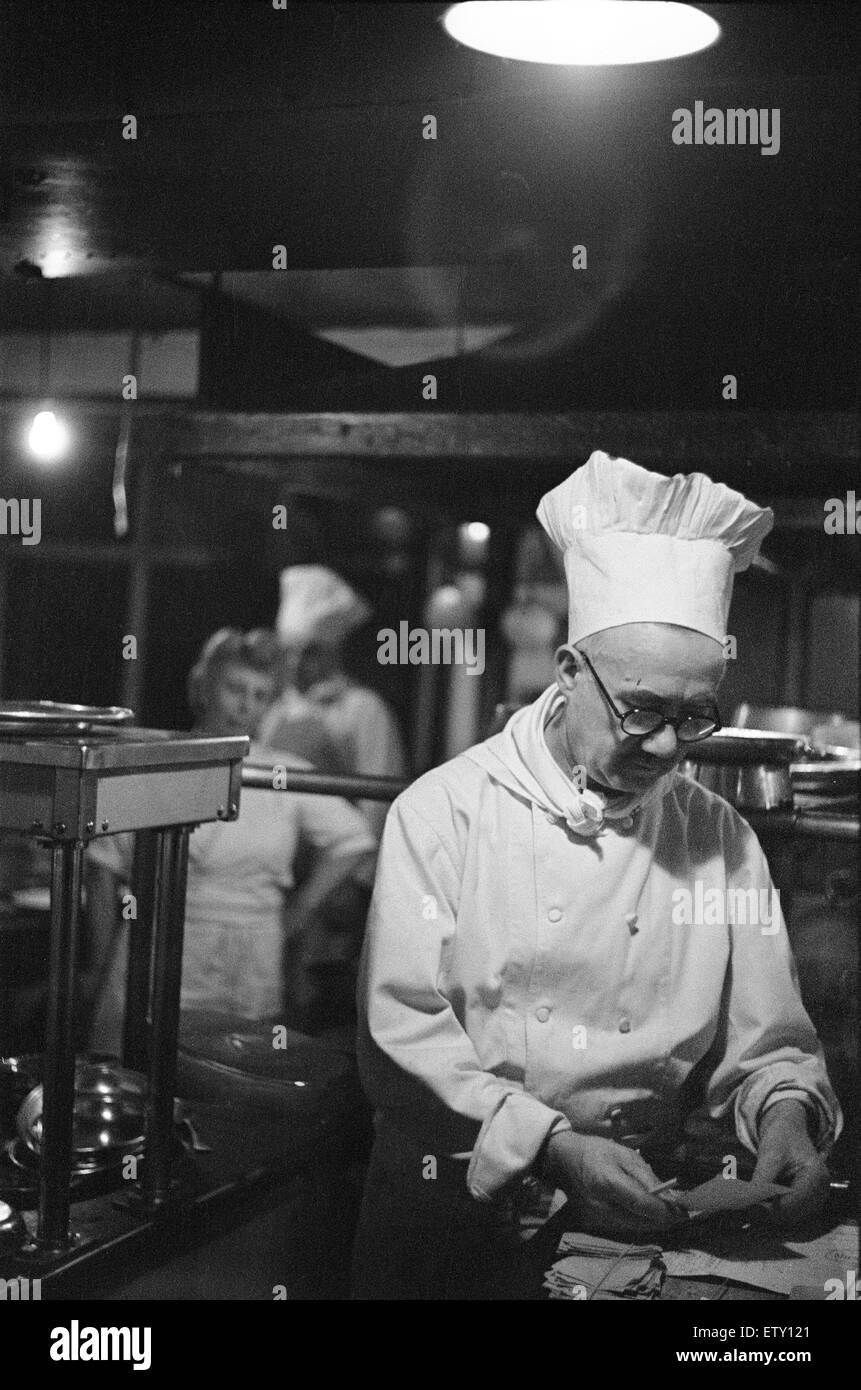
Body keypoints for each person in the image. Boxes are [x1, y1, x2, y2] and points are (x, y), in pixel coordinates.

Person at [352, 451, 842, 1301]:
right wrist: (548, 1144)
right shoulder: (445, 814)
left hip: (631, 1223)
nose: (664, 747)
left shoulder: (717, 837)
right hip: (452, 1219)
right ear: (569, 672)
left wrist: (785, 1113)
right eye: (642, 710)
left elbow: (766, 1041)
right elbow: (400, 1041)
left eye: (694, 716)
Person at [85, 628, 377, 1050]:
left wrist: (298, 912)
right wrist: (97, 964)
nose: (246, 706)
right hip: (158, 948)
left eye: (260, 696)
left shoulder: (280, 774)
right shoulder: (156, 761)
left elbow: (355, 840)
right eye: (235, 689)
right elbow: (102, 868)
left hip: (249, 957)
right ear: (203, 687)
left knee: (230, 1088)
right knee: (136, 1077)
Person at [258, 566, 407, 839]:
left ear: (333, 652)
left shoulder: (362, 709)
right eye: (290, 652)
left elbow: (377, 801)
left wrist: (361, 870)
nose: (297, 663)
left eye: (309, 652)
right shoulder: (276, 709)